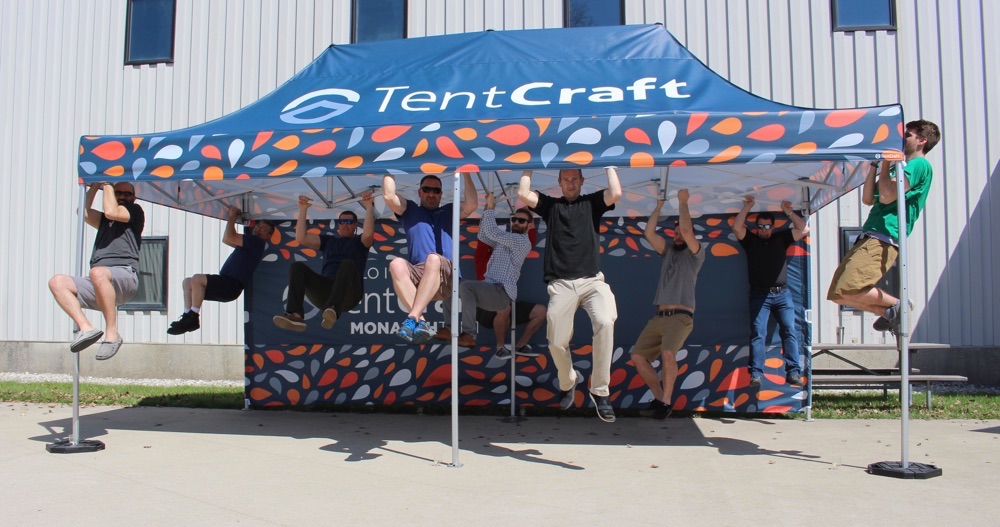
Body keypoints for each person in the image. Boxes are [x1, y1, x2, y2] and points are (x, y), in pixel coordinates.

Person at [518, 167, 622, 422]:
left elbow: (616, 192)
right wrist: (528, 165)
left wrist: (609, 166)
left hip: (591, 282)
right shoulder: (552, 207)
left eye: (575, 179)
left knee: (605, 321)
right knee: (556, 341)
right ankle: (568, 382)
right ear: (560, 182)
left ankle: (600, 391)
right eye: (566, 179)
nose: (571, 183)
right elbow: (523, 193)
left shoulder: (591, 203)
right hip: (562, 285)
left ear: (582, 181)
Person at [827, 120, 941, 333]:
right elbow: (869, 198)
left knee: (850, 288)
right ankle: (889, 313)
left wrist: (887, 162)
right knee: (838, 293)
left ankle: (899, 306)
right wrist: (875, 165)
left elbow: (888, 197)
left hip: (884, 236)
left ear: (922, 140)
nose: (901, 138)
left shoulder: (919, 165)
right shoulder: (900, 168)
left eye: (907, 135)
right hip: (872, 234)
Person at [48, 182, 144, 360]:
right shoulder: (104, 220)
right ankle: (86, 328)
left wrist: (107, 182)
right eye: (118, 193)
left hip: (125, 276)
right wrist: (94, 185)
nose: (122, 196)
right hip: (100, 282)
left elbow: (111, 212)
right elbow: (83, 213)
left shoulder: (135, 211)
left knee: (98, 272)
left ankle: (112, 334)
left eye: (127, 194)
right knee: (57, 281)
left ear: (134, 197)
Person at [630, 191, 704, 419]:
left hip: (680, 316)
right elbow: (648, 232)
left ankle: (666, 400)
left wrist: (683, 202)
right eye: (675, 231)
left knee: (668, 354)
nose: (678, 234)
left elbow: (689, 230)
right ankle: (662, 399)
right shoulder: (668, 251)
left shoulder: (696, 254)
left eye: (681, 230)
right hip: (659, 316)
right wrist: (659, 206)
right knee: (638, 357)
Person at [436, 206, 546, 359]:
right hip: (490, 291)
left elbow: (493, 233)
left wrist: (490, 208)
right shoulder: (504, 242)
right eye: (514, 219)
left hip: (501, 293)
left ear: (529, 225)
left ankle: (469, 334)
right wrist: (487, 209)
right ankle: (449, 328)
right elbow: (484, 236)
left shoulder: (522, 241)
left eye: (521, 221)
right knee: (450, 285)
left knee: (465, 286)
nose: (516, 222)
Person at [383, 173, 477, 343]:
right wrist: (390, 168)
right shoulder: (410, 209)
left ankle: (412, 317)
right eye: (427, 189)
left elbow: (472, 204)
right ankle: (421, 322)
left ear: (441, 194)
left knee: (433, 259)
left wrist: (466, 172)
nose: (431, 194)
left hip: (446, 278)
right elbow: (389, 196)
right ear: (419, 192)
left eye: (436, 190)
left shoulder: (449, 210)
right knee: (396, 264)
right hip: (420, 278)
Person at [733, 196, 809, 388]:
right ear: (757, 226)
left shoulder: (781, 238)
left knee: (789, 331)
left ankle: (793, 372)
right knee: (758, 333)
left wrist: (789, 212)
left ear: (773, 227)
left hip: (783, 295)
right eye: (760, 226)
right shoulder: (750, 240)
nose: (764, 230)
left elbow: (804, 229)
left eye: (767, 226)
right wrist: (747, 207)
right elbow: (737, 227)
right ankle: (756, 374)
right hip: (760, 295)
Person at [273, 191, 375, 331]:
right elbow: (301, 238)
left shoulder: (359, 243)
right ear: (338, 225)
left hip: (349, 294)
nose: (346, 225)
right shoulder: (329, 241)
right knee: (297, 267)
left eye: (350, 222)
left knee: (347, 264)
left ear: (356, 225)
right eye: (342, 222)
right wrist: (303, 210)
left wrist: (369, 207)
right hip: (325, 293)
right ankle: (295, 315)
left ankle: (333, 310)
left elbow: (368, 234)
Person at [167, 206, 275, 335]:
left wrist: (232, 217)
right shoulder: (250, 243)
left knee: (197, 278)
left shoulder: (256, 241)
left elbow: (230, 236)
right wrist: (232, 219)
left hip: (231, 284)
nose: (258, 229)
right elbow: (226, 239)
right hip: (227, 284)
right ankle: (187, 316)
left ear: (268, 236)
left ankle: (193, 317)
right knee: (188, 282)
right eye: (258, 226)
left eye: (263, 229)